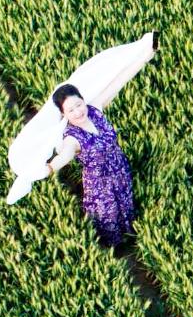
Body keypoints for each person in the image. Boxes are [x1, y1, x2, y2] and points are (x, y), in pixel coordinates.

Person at [45, 81, 138, 248]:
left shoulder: (95, 111)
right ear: (63, 114)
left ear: (83, 100)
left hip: (119, 169)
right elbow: (65, 154)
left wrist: (144, 55)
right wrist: (49, 168)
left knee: (125, 203)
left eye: (78, 105)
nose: (78, 112)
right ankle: (113, 249)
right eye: (70, 110)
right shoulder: (72, 137)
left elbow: (118, 82)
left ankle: (130, 235)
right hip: (100, 184)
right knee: (108, 216)